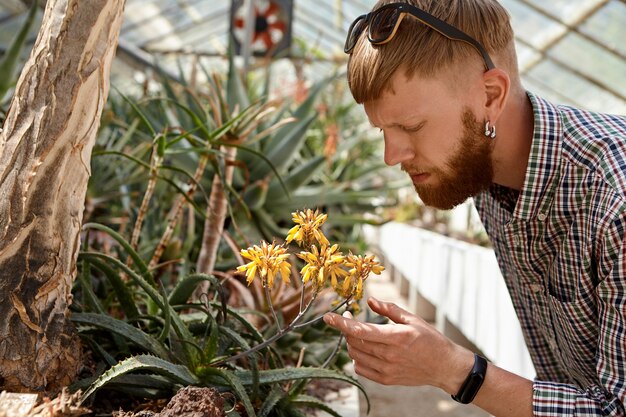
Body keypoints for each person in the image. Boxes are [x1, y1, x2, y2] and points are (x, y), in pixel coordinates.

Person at [322, 1, 626, 416]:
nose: (391, 155)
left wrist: (456, 370)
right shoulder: (483, 170)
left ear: (491, 95)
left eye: (411, 127)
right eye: (383, 130)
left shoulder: (616, 198)